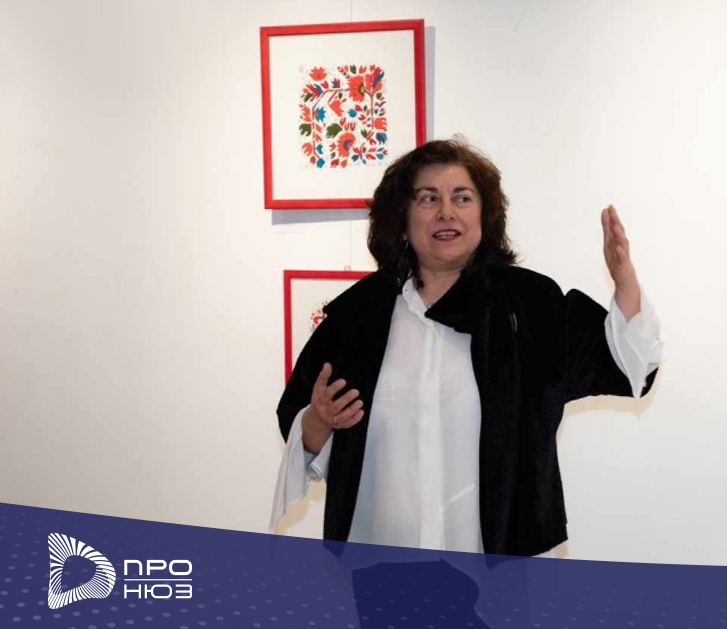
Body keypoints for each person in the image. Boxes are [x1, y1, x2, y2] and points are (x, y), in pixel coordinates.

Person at [268, 138, 662, 561]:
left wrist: (624, 283)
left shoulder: (528, 305)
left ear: (483, 215)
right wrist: (318, 421)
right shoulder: (358, 316)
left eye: (462, 197)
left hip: (502, 573)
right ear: (401, 217)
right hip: (381, 566)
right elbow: (303, 428)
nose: (446, 212)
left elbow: (628, 366)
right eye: (428, 198)